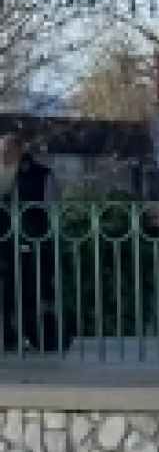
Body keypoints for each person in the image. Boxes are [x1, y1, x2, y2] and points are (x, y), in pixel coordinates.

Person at [0, 130, 61, 352]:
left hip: (32, 239)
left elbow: (52, 208)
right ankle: (7, 335)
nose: (3, 155)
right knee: (6, 291)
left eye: (7, 150)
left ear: (18, 150)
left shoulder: (41, 174)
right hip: (5, 241)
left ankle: (40, 336)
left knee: (32, 290)